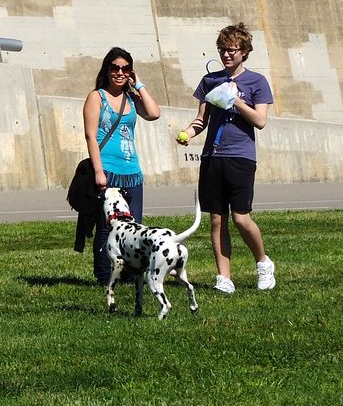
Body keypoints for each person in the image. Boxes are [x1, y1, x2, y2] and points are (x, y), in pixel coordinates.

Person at [176, 22, 276, 293]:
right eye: (222, 49)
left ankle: (263, 263)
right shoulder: (210, 81)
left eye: (232, 49)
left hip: (240, 157)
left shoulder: (256, 82)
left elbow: (260, 121)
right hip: (212, 157)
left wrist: (236, 101)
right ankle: (224, 277)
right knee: (217, 218)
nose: (226, 54)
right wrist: (188, 132)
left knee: (241, 218)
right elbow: (201, 120)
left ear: (244, 52)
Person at [84, 47, 161, 285]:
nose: (119, 72)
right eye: (115, 68)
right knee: (108, 228)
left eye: (125, 68)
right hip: (107, 170)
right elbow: (90, 136)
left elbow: (153, 113)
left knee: (133, 227)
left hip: (131, 172)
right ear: (107, 70)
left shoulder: (130, 98)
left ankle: (128, 275)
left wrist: (139, 85)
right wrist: (98, 172)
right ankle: (105, 276)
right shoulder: (97, 97)